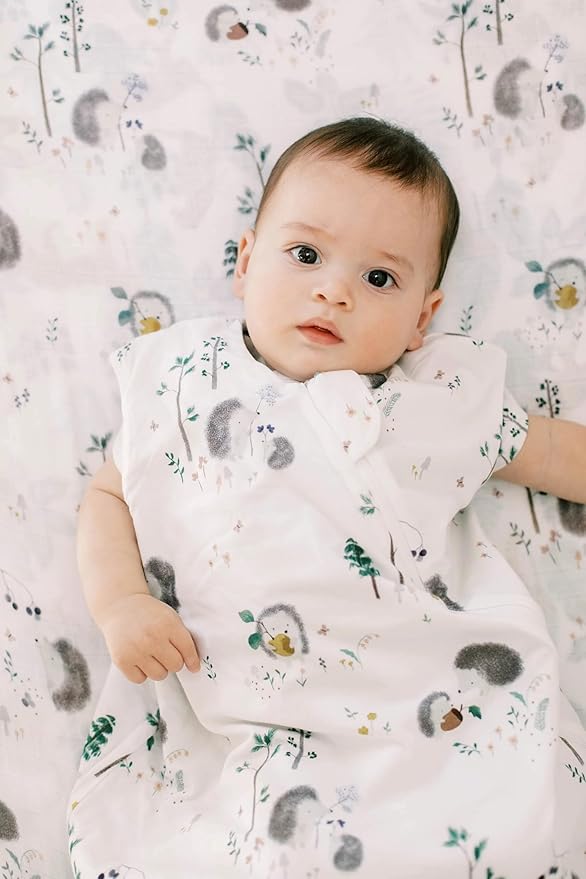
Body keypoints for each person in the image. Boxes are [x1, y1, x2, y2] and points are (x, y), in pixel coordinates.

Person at [71, 116, 586, 878]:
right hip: (246, 715)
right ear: (246, 263)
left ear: (422, 318)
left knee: (484, 828)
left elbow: (550, 450)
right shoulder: (185, 378)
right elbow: (109, 495)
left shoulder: (434, 397)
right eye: (306, 254)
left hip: (417, 701)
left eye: (379, 279)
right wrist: (121, 603)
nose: (333, 290)